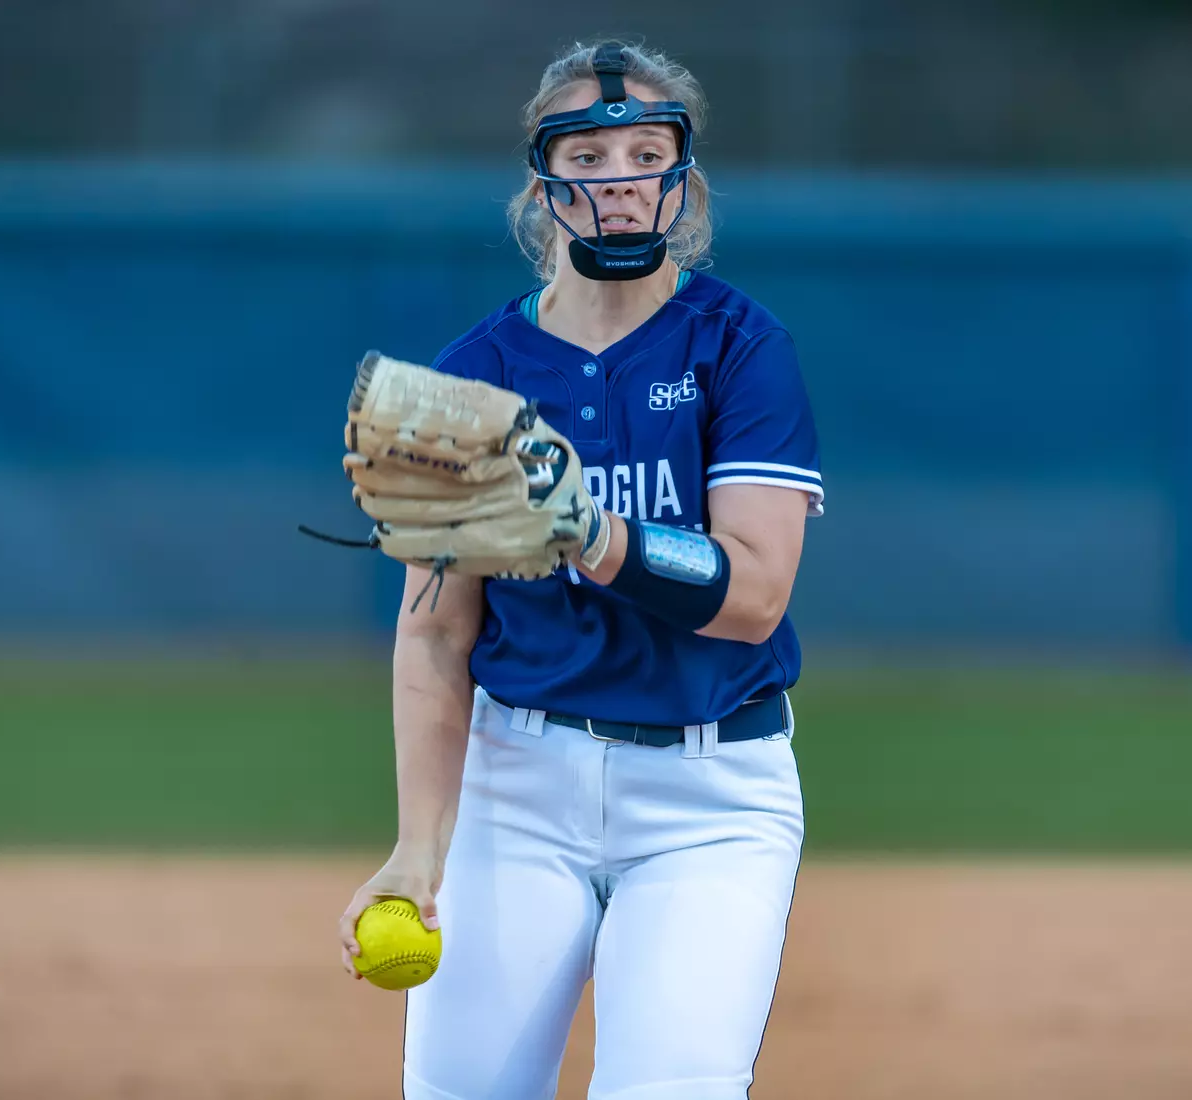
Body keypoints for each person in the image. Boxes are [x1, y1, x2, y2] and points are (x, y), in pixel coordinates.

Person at [337, 39, 824, 1100]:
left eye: (647, 153)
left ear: (681, 179)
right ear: (544, 183)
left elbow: (755, 594)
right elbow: (433, 633)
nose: (619, 182)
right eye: (590, 158)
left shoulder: (738, 346)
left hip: (711, 794)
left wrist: (590, 533)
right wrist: (419, 846)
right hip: (517, 783)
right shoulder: (478, 375)